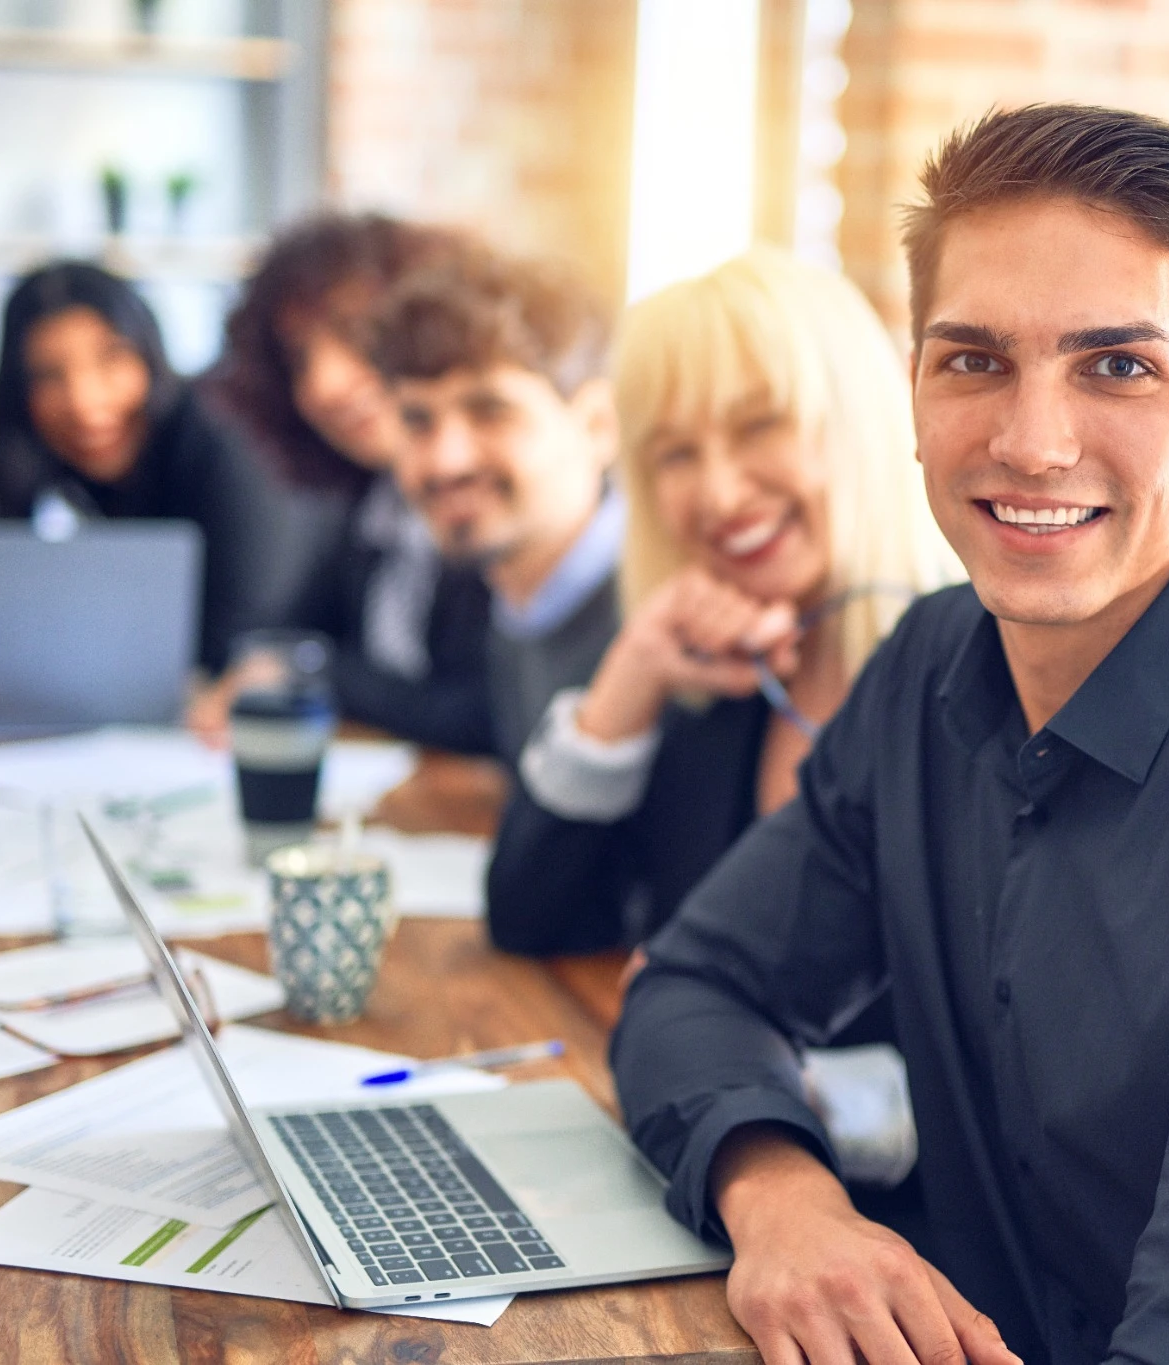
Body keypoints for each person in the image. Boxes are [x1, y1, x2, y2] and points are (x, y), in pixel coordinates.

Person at [611, 104, 1169, 1365]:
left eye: (1117, 367)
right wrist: (785, 1203)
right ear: (915, 397)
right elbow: (694, 987)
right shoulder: (930, 665)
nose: (1031, 443)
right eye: (973, 361)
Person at [485, 247, 958, 958]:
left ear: (860, 418)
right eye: (675, 453)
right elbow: (532, 921)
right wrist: (628, 679)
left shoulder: (979, 675)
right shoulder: (718, 678)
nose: (720, 494)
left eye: (759, 425)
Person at [198, 214, 494, 753]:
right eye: (299, 360)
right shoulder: (373, 503)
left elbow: (487, 714)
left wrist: (316, 673)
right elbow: (292, 638)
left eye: (354, 333)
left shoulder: (495, 503)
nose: (323, 385)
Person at [0, 260, 303, 673]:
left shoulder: (225, 433)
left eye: (111, 359)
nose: (84, 402)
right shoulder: (87, 482)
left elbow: (235, 642)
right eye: (49, 376)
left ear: (149, 355)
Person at [372, 251, 621, 761]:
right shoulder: (514, 598)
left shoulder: (670, 625)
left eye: (491, 412)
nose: (446, 461)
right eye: (418, 421)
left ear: (599, 425)